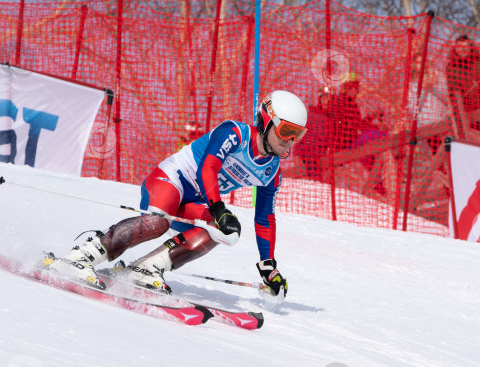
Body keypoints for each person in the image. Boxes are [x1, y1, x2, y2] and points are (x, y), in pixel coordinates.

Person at [45, 90, 308, 298]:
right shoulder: (235, 133)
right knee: (159, 223)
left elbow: (265, 219)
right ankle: (82, 256)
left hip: (193, 203)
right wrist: (218, 208)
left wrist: (268, 266)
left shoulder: (272, 171)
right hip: (171, 180)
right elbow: (208, 167)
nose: (290, 141)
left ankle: (146, 268)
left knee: (227, 231)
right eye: (286, 131)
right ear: (266, 120)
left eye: (298, 135)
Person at [444, 35, 480, 145]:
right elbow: (452, 90)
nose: (463, 49)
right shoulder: (451, 67)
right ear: (455, 48)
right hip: (467, 112)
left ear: (471, 47)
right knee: (475, 141)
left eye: (466, 46)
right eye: (460, 46)